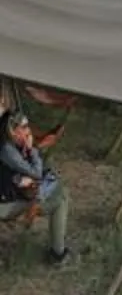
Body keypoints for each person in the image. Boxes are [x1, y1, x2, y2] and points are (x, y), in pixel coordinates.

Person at [1, 109, 71, 267]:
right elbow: (36, 172)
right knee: (61, 199)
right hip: (4, 204)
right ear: (12, 130)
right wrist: (33, 149)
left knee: (54, 186)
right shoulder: (7, 151)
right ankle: (58, 255)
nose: (28, 130)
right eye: (24, 127)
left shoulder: (9, 145)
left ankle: (57, 252)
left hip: (11, 192)